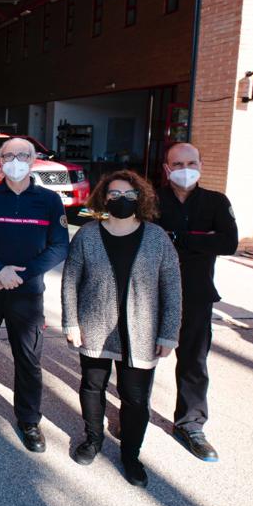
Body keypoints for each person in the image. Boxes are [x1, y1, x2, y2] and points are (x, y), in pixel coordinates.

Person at [62, 170, 182, 487]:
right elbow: (70, 280)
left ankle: (131, 455)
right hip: (94, 327)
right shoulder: (87, 235)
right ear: (104, 198)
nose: (122, 199)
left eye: (129, 194)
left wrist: (169, 333)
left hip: (141, 331)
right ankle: (93, 439)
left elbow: (172, 289)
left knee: (136, 398)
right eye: (114, 194)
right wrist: (71, 321)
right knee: (92, 387)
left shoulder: (157, 238)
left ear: (140, 198)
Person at [0, 137, 69, 451]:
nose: (16, 161)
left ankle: (29, 420)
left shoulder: (49, 201)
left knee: (29, 359)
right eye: (9, 155)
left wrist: (19, 275)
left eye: (23, 155)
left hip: (27, 294)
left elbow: (59, 246)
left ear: (33, 160)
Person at [157, 142, 238, 462]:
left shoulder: (216, 202)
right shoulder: (152, 200)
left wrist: (178, 238)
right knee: (141, 360)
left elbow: (228, 243)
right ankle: (133, 415)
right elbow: (146, 241)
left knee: (193, 361)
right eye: (177, 164)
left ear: (201, 165)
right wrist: (202, 240)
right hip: (154, 293)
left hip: (197, 294)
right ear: (167, 169)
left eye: (191, 163)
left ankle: (190, 425)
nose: (185, 169)